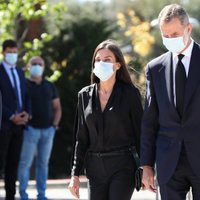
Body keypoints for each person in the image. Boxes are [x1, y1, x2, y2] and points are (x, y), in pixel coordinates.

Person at [68, 39, 143, 200]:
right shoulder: (84, 95)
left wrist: (147, 168)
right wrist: (75, 174)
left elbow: (140, 133)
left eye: (107, 59)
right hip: (95, 169)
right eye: (98, 60)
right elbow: (81, 138)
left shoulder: (130, 94)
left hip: (123, 166)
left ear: (118, 65)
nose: (101, 63)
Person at [141, 4, 200, 200]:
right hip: (168, 163)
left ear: (188, 29)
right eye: (165, 35)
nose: (169, 40)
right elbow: (150, 120)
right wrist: (147, 165)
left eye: (174, 34)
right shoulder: (154, 68)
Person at [18, 56, 62, 200]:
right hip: (30, 130)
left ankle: (41, 194)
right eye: (34, 63)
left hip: (48, 131)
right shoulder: (23, 84)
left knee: (43, 164)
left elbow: (57, 108)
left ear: (44, 67)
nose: (37, 66)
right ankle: (23, 194)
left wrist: (54, 127)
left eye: (40, 64)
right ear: (29, 67)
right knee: (25, 163)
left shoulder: (50, 86)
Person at [0, 39, 31, 200]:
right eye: (9, 52)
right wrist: (11, 116)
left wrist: (27, 114)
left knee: (13, 164)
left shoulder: (19, 71)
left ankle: (10, 196)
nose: (12, 54)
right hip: (4, 125)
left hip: (20, 126)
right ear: (3, 52)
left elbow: (25, 95)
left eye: (14, 51)